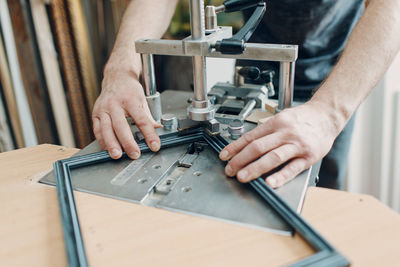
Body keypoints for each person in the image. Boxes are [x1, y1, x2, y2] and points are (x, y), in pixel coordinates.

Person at [92, 0, 400, 189]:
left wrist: (329, 114)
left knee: (317, 191)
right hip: (256, 61)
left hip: (335, 77)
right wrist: (121, 69)